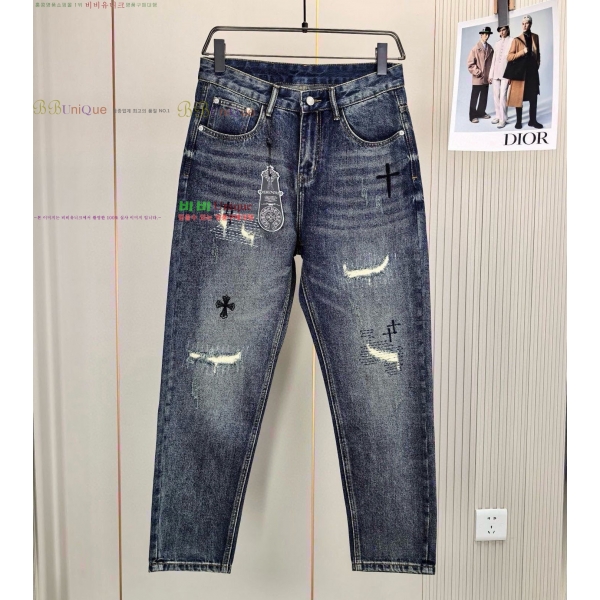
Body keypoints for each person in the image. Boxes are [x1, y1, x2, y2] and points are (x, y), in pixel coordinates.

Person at [505, 14, 542, 129]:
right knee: (519, 97)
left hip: (532, 73)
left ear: (530, 24)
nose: (524, 26)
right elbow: (509, 57)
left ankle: (533, 121)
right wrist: (522, 52)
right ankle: (519, 121)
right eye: (523, 24)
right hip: (520, 73)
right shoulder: (516, 40)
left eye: (527, 23)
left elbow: (538, 53)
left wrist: (536, 65)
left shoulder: (535, 37)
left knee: (533, 97)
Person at [467, 26, 494, 123]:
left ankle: (481, 112)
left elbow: (492, 63)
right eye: (485, 34)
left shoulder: (490, 48)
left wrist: (491, 75)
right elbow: (470, 64)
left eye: (488, 34)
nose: (487, 36)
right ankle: (472, 116)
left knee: (484, 96)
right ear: (481, 35)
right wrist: (478, 72)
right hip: (478, 78)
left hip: (486, 78)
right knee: (474, 97)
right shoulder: (475, 48)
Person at [489, 25, 513, 128]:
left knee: (503, 95)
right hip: (496, 73)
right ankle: (498, 116)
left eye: (504, 30)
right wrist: (491, 75)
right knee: (496, 95)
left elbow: (513, 60)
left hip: (506, 73)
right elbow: (494, 59)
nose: (502, 32)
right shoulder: (497, 43)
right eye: (500, 30)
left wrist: (511, 75)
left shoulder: (512, 41)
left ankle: (503, 119)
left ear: (507, 30)